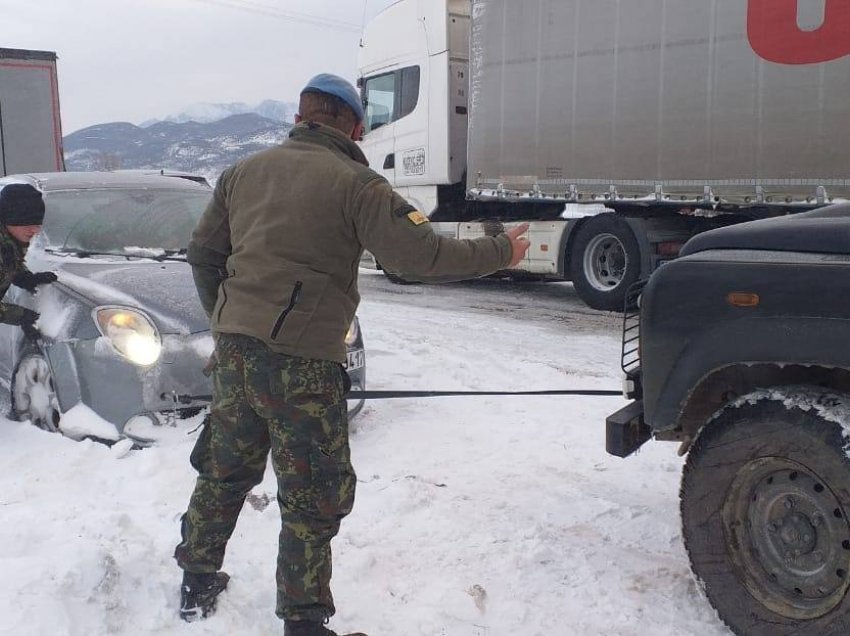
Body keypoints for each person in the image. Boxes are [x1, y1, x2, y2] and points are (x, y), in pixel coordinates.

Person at [174, 73, 531, 636]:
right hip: (303, 363)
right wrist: (500, 251)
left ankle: (195, 581)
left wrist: (225, 322)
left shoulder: (241, 173)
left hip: (236, 355)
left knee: (224, 469)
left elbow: (202, 253)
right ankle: (304, 621)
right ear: (354, 126)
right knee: (312, 493)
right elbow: (421, 257)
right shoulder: (357, 184)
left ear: (300, 117)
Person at [0, 184, 57, 340]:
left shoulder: (10, 241)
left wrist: (25, 277)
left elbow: (8, 260)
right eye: (27, 224)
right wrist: (23, 317)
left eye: (37, 224)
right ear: (8, 219)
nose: (35, 231)